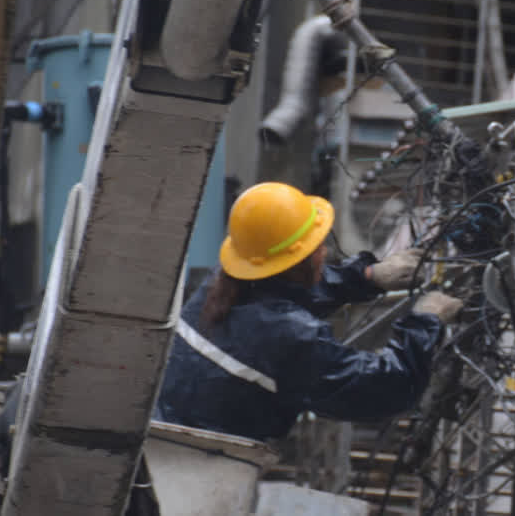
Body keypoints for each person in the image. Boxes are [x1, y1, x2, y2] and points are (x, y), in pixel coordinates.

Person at [154, 181, 462, 441]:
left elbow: (281, 295)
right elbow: (388, 387)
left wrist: (367, 277)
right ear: (295, 262)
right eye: (315, 248)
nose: (324, 251)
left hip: (159, 433)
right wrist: (426, 321)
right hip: (204, 468)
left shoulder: (220, 285)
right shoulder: (291, 337)